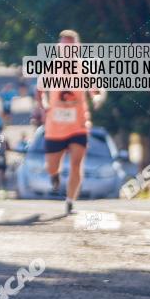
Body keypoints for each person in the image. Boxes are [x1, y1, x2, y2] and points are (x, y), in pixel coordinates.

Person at [38, 29, 103, 214]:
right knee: (51, 166)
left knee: (76, 164)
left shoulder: (84, 67)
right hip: (55, 127)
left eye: (71, 47)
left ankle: (70, 200)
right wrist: (44, 105)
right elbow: (40, 91)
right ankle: (54, 175)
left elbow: (95, 90)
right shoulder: (50, 67)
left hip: (79, 125)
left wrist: (96, 99)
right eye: (64, 47)